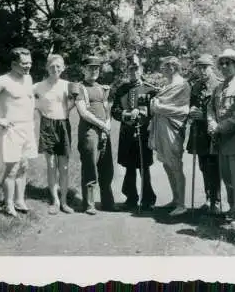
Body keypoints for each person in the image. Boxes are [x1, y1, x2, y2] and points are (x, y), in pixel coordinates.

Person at [0, 47, 37, 217]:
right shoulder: (3, 80)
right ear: (13, 63)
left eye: (30, 63)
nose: (28, 66)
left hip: (28, 128)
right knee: (12, 168)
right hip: (12, 129)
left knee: (24, 166)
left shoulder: (28, 78)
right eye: (24, 63)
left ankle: (19, 200)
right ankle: (8, 204)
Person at [207, 48, 235, 225]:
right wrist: (211, 123)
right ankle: (232, 208)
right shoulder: (218, 87)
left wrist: (219, 127)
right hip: (220, 140)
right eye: (222, 64)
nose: (224, 66)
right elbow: (210, 108)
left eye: (228, 63)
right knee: (226, 177)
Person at [111, 54, 158, 211]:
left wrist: (144, 113)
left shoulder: (151, 89)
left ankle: (148, 199)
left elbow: (155, 111)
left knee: (144, 167)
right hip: (126, 133)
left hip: (144, 134)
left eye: (136, 68)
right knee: (129, 167)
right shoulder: (121, 90)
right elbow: (114, 110)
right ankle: (131, 198)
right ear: (127, 71)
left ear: (141, 69)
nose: (133, 71)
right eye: (130, 69)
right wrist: (124, 115)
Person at [148, 56, 191, 216]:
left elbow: (184, 110)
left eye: (164, 68)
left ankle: (182, 204)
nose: (162, 70)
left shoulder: (183, 85)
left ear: (172, 67)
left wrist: (160, 107)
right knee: (166, 164)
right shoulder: (168, 85)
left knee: (175, 165)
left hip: (173, 129)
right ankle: (175, 199)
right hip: (161, 128)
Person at [33, 54, 75, 215]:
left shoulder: (68, 85)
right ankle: (55, 201)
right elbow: (27, 99)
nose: (55, 69)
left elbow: (74, 103)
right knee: (51, 166)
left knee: (63, 166)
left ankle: (64, 201)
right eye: (52, 66)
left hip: (63, 125)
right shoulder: (38, 86)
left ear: (63, 68)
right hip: (47, 126)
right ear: (47, 67)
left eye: (58, 66)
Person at [74, 55, 115, 215]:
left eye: (96, 68)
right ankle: (89, 204)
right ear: (83, 69)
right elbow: (83, 112)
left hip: (104, 130)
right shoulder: (79, 87)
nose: (93, 71)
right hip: (89, 131)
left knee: (106, 167)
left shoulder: (101, 88)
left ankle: (108, 203)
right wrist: (102, 124)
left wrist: (108, 124)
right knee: (90, 166)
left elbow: (107, 109)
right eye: (90, 68)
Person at [186, 53, 223, 213]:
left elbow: (222, 111)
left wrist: (204, 116)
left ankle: (216, 201)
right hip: (198, 132)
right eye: (199, 67)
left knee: (214, 166)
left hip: (213, 133)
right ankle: (209, 198)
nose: (201, 71)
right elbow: (192, 106)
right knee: (203, 166)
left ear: (212, 67)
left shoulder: (219, 85)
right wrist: (191, 111)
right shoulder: (195, 86)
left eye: (205, 67)